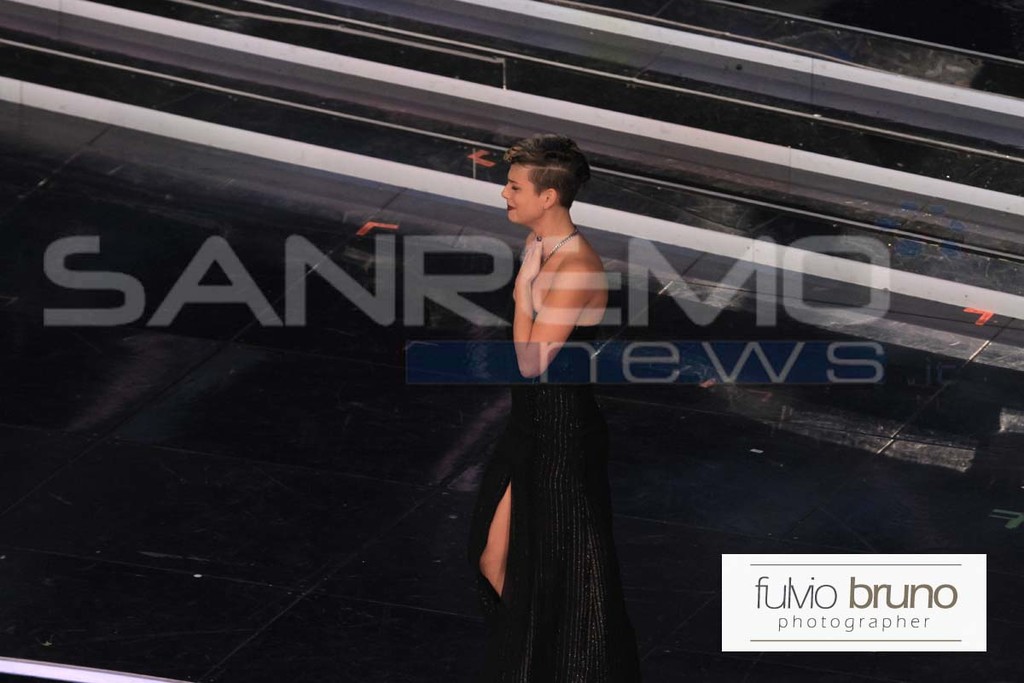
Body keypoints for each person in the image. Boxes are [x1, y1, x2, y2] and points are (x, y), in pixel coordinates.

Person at [467, 134, 643, 682]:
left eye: (515, 186)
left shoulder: (575, 267)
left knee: (567, 581)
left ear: (548, 197)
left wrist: (522, 292)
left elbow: (530, 361)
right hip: (531, 427)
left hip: (563, 436)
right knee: (493, 559)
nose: (504, 193)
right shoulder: (540, 245)